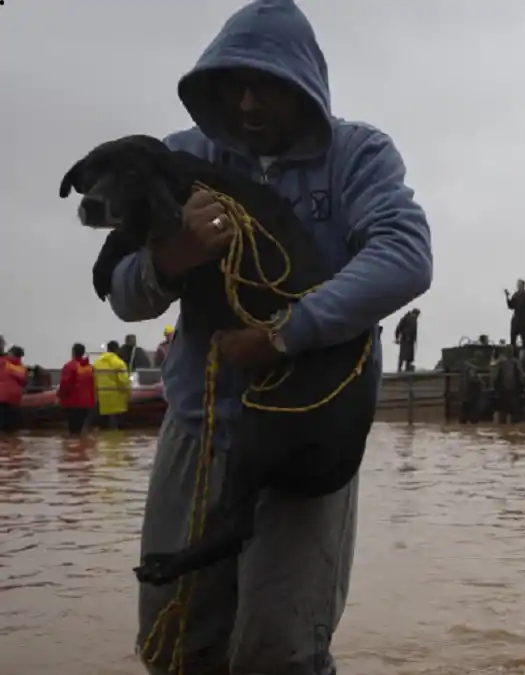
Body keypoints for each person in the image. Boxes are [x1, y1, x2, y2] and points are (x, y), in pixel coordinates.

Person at [103, 1, 433, 672]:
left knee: (279, 653)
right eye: (233, 86)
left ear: (306, 85)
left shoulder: (358, 156)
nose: (248, 104)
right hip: (199, 434)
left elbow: (406, 255)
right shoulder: (181, 158)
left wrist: (282, 333)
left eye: (268, 87)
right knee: (173, 644)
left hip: (307, 441)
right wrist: (173, 256)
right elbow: (122, 292)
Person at [58, 343, 97, 435]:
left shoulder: (70, 366)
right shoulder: (90, 368)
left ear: (73, 352)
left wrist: (60, 397)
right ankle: (82, 447)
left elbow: (65, 384)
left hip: (73, 403)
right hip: (87, 403)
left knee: (73, 431)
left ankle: (75, 447)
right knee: (81, 429)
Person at [93, 341, 131, 430]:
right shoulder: (119, 363)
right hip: (117, 399)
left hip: (102, 398)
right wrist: (129, 393)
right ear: (117, 350)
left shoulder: (97, 362)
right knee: (120, 427)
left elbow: (93, 380)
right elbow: (124, 381)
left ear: (107, 349)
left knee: (103, 428)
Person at [0, 345, 27, 433]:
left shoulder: (3, 362)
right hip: (15, 398)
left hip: (2, 397)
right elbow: (23, 382)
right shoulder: (21, 368)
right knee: (12, 428)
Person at [505, 279, 525, 350]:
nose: (518, 286)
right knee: (513, 338)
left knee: (524, 339)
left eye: (519, 284)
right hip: (516, 319)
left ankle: (524, 353)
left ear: (523, 285)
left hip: (524, 320)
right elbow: (511, 306)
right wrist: (507, 297)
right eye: (517, 284)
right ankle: (512, 352)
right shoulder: (516, 295)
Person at [393, 308, 420, 372]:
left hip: (411, 340)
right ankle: (399, 369)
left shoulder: (413, 319)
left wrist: (415, 339)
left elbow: (414, 331)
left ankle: (407, 369)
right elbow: (398, 328)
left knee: (409, 356)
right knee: (403, 355)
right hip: (405, 339)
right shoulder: (407, 318)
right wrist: (397, 337)